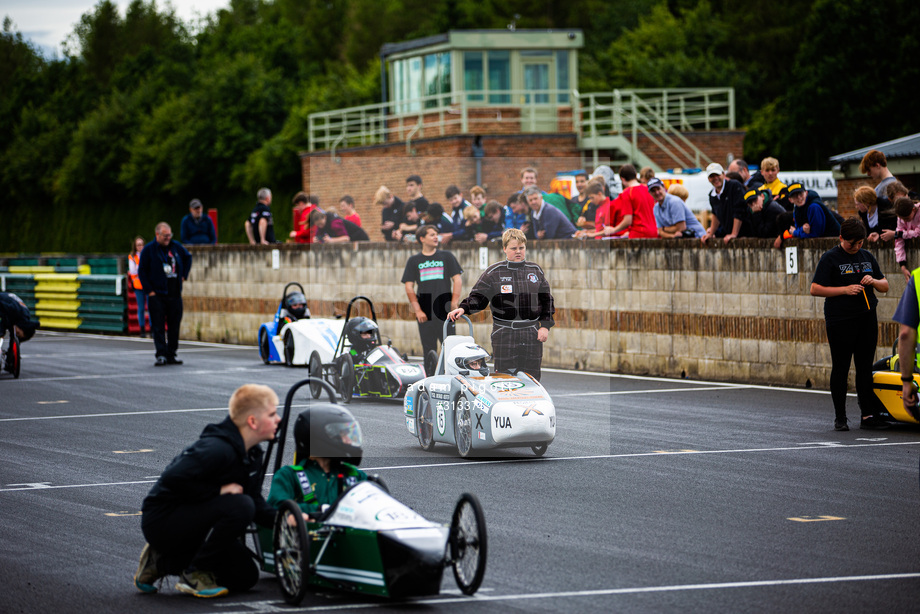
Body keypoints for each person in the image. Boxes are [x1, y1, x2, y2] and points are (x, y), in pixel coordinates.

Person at [135, 384, 281, 598]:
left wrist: (285, 521)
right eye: (272, 414)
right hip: (162, 520)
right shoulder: (216, 448)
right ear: (253, 421)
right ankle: (195, 573)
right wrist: (219, 490)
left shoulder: (252, 454)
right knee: (241, 505)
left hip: (196, 520)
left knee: (245, 577)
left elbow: (256, 503)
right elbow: (173, 479)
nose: (278, 419)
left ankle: (162, 562)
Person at [810, 217, 889, 431]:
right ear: (841, 238)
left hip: (866, 317)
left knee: (864, 367)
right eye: (851, 243)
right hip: (840, 319)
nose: (855, 247)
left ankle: (868, 415)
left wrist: (873, 281)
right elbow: (815, 288)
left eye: (860, 243)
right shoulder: (830, 258)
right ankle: (841, 417)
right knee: (841, 367)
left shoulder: (866, 256)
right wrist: (844, 290)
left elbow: (885, 285)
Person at [447, 228, 555, 381]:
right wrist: (463, 308)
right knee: (504, 379)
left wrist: (544, 326)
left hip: (531, 332)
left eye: (521, 248)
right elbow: (478, 296)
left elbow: (547, 300)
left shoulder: (535, 271)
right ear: (504, 249)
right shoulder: (494, 272)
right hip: (504, 333)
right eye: (513, 248)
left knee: (532, 379)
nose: (518, 252)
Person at [268, 405, 365, 521]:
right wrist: (316, 510)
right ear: (319, 437)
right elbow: (275, 508)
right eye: (343, 435)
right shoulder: (288, 476)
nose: (349, 441)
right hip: (307, 537)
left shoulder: (355, 476)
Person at [402, 224, 463, 374]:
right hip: (425, 311)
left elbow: (458, 280)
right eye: (431, 234)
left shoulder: (446, 256)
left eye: (437, 234)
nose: (436, 237)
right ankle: (430, 379)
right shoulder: (414, 260)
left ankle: (450, 377)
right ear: (422, 239)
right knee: (428, 349)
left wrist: (454, 302)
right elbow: (409, 287)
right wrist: (417, 310)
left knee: (449, 347)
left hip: (445, 310)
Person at [138, 222, 192, 366]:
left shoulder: (175, 247)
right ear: (157, 235)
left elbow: (188, 257)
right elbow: (141, 271)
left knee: (174, 326)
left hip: (174, 294)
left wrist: (184, 275)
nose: (168, 238)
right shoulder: (149, 250)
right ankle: (161, 354)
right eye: (165, 236)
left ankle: (171, 353)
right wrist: (149, 290)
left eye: (169, 235)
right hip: (157, 295)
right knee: (158, 326)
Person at [701, 162, 750, 243]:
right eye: (712, 176)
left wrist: (734, 234)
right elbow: (715, 214)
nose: (715, 178)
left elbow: (739, 211)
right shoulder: (712, 195)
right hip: (728, 234)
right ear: (708, 179)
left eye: (717, 175)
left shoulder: (734, 185)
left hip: (745, 233)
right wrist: (711, 234)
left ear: (723, 174)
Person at [606, 164, 658, 239]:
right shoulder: (648, 189)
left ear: (622, 179)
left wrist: (614, 230)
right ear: (636, 175)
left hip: (639, 234)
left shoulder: (627, 193)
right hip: (655, 233)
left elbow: (628, 221)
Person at [0, 292, 39, 373]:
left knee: (14, 336)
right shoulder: (15, 310)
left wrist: (12, 353)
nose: (17, 333)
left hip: (10, 311)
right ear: (22, 328)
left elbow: (15, 337)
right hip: (3, 303)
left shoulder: (24, 319)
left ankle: (10, 361)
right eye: (19, 333)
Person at [127, 235, 150, 337]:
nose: (140, 247)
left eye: (141, 245)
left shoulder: (148, 254)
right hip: (138, 285)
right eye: (138, 245)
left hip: (148, 284)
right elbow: (133, 270)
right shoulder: (132, 257)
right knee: (141, 308)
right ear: (135, 247)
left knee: (151, 307)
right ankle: (142, 330)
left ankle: (153, 329)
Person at [894, 197, 920, 281]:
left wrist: (902, 234)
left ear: (913, 209)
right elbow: (898, 241)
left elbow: (918, 232)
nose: (904, 221)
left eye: (907, 218)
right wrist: (903, 266)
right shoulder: (901, 219)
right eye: (902, 219)